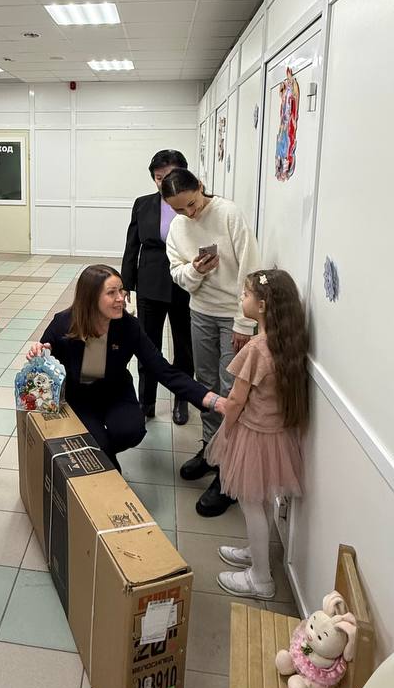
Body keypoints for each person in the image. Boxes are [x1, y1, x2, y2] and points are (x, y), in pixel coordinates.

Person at [26, 264, 222, 470]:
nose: (121, 298)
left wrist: (212, 400)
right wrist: (39, 352)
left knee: (131, 431)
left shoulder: (128, 326)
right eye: (112, 293)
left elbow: (163, 370)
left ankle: (103, 456)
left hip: (115, 391)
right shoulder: (64, 323)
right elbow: (43, 357)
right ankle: (107, 463)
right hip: (79, 398)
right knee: (98, 444)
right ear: (90, 297)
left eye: (121, 290)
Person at [162, 168, 260, 517]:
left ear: (200, 187)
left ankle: (228, 472)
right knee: (205, 385)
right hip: (200, 312)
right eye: (178, 209)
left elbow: (250, 268)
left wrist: (245, 322)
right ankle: (210, 451)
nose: (188, 213)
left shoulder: (229, 214)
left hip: (234, 316)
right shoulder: (178, 227)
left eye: (191, 204)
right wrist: (197, 270)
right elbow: (177, 274)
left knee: (232, 391)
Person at [208, 269, 307, 599]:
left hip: (253, 435)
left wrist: (226, 427)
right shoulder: (287, 343)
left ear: (262, 306)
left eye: (246, 294)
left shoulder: (256, 348)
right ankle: (256, 550)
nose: (241, 298)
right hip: (276, 437)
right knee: (261, 499)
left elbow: (236, 399)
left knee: (251, 503)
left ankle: (260, 578)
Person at [121, 150, 194, 426]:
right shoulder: (143, 204)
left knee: (184, 348)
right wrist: (125, 285)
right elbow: (132, 246)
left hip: (185, 283)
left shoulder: (192, 204)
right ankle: (146, 401)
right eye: (158, 177)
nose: (164, 182)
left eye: (170, 175)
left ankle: (181, 399)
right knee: (147, 344)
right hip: (150, 282)